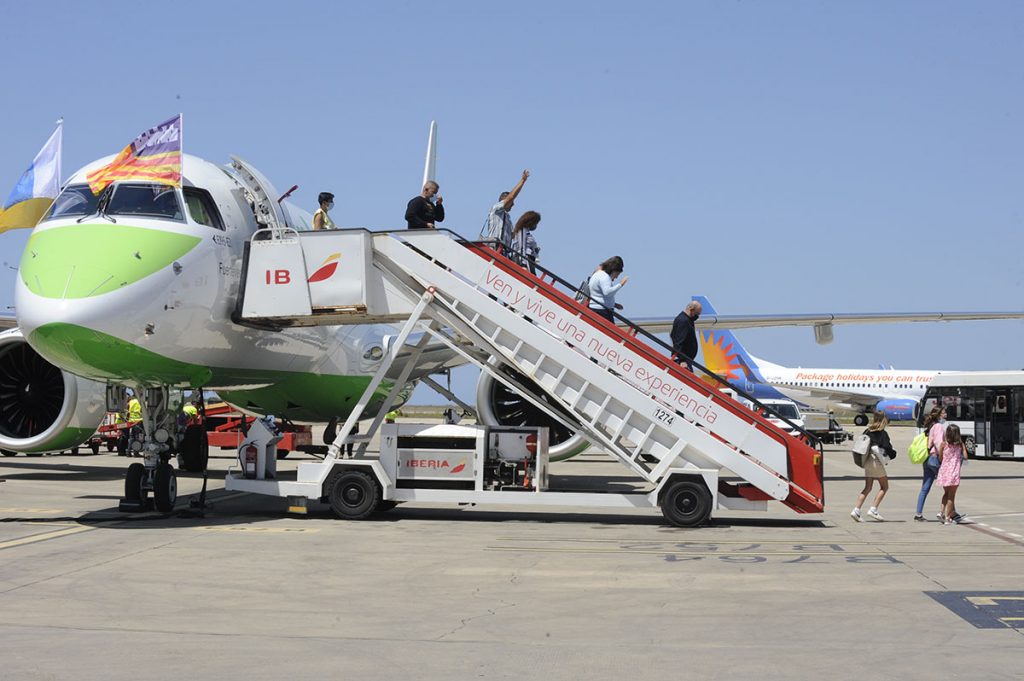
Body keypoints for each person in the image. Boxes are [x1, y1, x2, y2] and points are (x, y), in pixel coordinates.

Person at [850, 412, 896, 522]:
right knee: (884, 487)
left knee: (868, 487)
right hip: (877, 462)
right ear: (883, 420)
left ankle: (856, 510)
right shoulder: (882, 433)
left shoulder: (868, 431)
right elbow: (888, 448)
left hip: (867, 461)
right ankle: (873, 509)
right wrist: (893, 454)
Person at [482, 170, 530, 251]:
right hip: (494, 248)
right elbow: (511, 197)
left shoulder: (508, 218)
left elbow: (513, 235)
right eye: (512, 202)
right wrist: (522, 181)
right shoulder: (496, 209)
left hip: (503, 251)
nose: (513, 205)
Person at [914, 406, 945, 521]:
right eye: (944, 412)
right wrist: (943, 458)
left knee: (925, 488)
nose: (945, 414)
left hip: (927, 460)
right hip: (935, 458)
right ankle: (950, 512)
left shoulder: (930, 427)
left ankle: (918, 513)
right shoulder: (938, 427)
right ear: (939, 415)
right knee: (948, 487)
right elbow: (938, 443)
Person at [937, 423, 967, 524]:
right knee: (951, 496)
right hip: (954, 473)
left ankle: (940, 512)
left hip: (944, 472)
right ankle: (947, 517)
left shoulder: (943, 444)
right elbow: (966, 457)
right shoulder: (959, 445)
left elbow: (940, 458)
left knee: (945, 493)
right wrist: (963, 448)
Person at [587, 256, 628, 322]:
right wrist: (621, 284)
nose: (616, 277)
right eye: (617, 274)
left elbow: (599, 295)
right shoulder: (604, 277)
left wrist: (614, 304)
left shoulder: (597, 274)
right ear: (614, 270)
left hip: (598, 309)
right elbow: (607, 293)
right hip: (602, 311)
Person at [670, 300, 703, 370]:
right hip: (682, 361)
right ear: (691, 310)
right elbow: (679, 341)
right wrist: (682, 360)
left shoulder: (688, 320)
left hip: (687, 360)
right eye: (697, 314)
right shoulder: (683, 321)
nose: (697, 317)